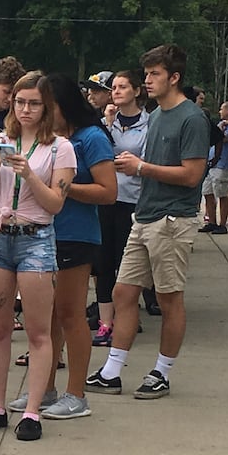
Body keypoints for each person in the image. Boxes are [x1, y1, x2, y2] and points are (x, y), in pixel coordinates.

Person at [87, 45, 210, 401]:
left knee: (170, 300)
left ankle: (162, 372)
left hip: (173, 219)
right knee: (123, 292)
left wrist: (141, 168)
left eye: (155, 74)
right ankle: (112, 371)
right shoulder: (156, 115)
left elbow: (192, 175)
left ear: (175, 78)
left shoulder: (191, 119)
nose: (148, 81)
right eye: (147, 74)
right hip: (144, 214)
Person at [0, 71, 76, 441]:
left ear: (46, 106)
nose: (25, 109)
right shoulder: (0, 140)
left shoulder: (60, 147)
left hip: (35, 236)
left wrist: (29, 174)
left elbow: (55, 204)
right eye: (19, 102)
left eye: (33, 103)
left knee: (38, 330)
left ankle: (32, 410)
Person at [23, 74, 116, 420]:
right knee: (44, 317)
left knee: (70, 313)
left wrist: (62, 186)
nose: (41, 113)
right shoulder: (49, 139)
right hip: (42, 232)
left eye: (48, 107)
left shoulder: (91, 138)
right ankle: (43, 390)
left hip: (76, 235)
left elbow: (108, 192)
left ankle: (76, 393)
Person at [94, 70, 149, 344]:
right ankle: (105, 323)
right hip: (106, 198)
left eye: (123, 87)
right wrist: (109, 121)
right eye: (113, 87)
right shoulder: (107, 122)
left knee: (125, 263)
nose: (116, 91)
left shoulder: (149, 124)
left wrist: (133, 163)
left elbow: (148, 161)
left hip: (132, 199)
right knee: (103, 262)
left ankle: (127, 316)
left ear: (137, 91)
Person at [200, 101, 228, 234]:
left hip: (224, 164)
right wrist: (220, 125)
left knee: (222, 194)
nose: (219, 112)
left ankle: (222, 224)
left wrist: (220, 127)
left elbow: (221, 138)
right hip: (213, 163)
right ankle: (211, 222)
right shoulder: (223, 125)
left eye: (222, 109)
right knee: (207, 192)